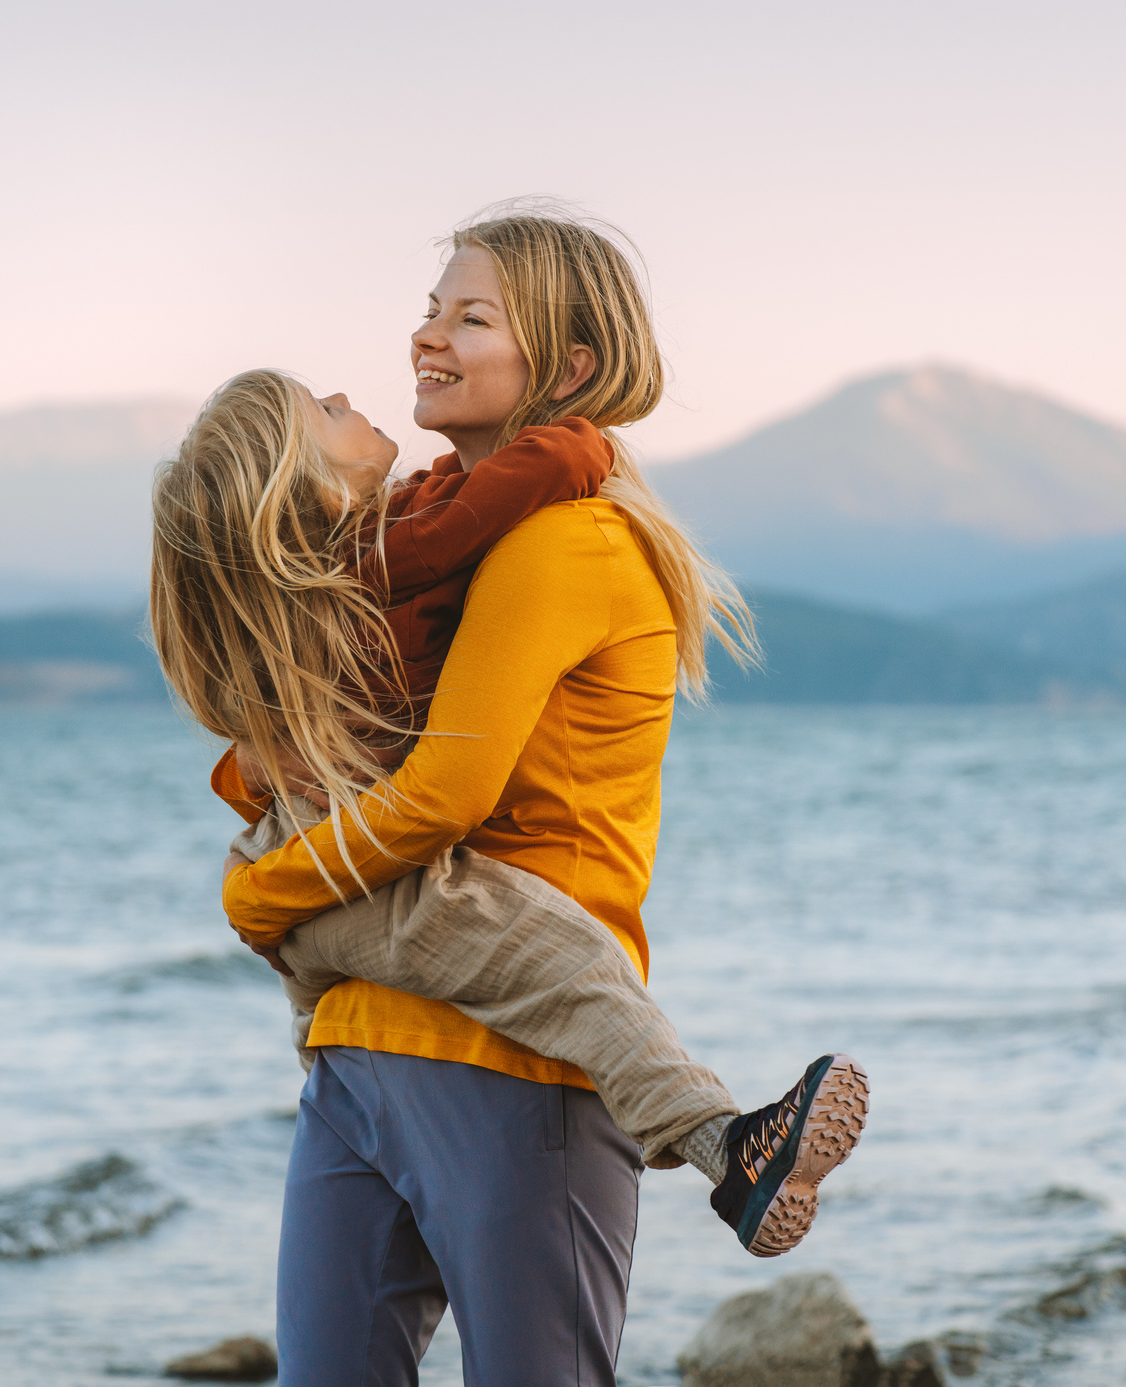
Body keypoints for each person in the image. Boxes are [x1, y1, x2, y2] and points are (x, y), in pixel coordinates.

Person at [150, 208, 869, 1384]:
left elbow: (443, 794)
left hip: (513, 1056)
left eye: (471, 317)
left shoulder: (561, 542)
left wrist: (261, 893)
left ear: (569, 368)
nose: (426, 336)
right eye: (430, 310)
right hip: (362, 1047)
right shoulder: (419, 532)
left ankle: (721, 1140)